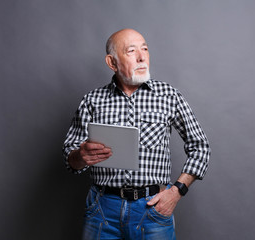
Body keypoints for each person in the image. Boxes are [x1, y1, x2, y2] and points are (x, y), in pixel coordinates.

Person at [63, 28, 211, 240]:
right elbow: (70, 157)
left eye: (145, 49)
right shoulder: (92, 100)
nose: (142, 57)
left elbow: (200, 147)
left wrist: (177, 191)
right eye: (131, 51)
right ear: (112, 62)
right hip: (102, 210)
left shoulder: (169, 96)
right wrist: (80, 156)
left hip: (152, 211)